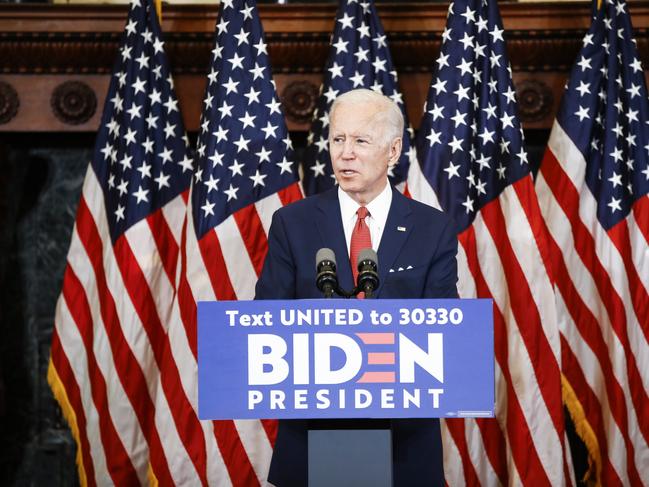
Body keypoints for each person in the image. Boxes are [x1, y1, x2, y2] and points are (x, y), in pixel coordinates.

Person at [255, 88, 458, 487]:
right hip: (315, 436)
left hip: (402, 441)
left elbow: (444, 330)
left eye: (360, 141)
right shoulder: (292, 224)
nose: (345, 153)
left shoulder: (433, 229)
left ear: (393, 150)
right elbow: (267, 321)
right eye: (337, 139)